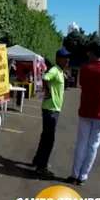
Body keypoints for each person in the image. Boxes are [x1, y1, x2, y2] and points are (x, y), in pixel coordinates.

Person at [66, 42, 100, 186]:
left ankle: (74, 174)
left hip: (85, 111)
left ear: (93, 53)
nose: (87, 55)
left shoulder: (86, 68)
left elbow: (82, 84)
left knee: (81, 143)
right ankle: (83, 176)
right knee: (93, 145)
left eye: (89, 52)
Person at [31, 47, 70, 177]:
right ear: (58, 59)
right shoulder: (54, 69)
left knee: (45, 137)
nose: (67, 61)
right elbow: (45, 77)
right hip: (51, 109)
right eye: (65, 58)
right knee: (49, 139)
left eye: (67, 58)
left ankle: (37, 160)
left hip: (53, 109)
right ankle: (41, 167)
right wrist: (47, 91)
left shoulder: (59, 71)